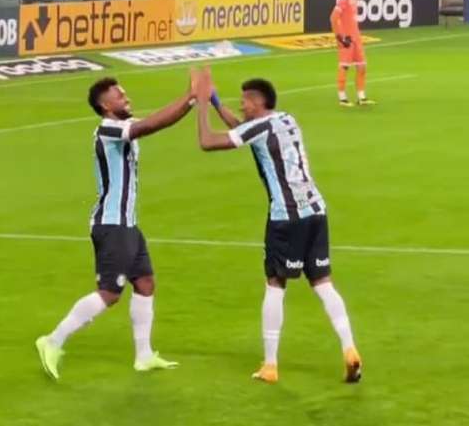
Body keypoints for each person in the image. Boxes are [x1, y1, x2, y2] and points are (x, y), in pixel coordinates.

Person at [190, 68, 362, 385]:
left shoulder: (257, 126)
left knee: (275, 283)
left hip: (287, 216)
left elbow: (207, 141)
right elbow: (245, 129)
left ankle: (270, 365)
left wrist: (201, 103)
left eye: (244, 101)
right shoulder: (286, 119)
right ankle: (349, 349)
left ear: (257, 102)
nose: (241, 106)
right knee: (323, 283)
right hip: (316, 211)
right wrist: (215, 100)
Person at [35, 77, 195, 380]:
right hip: (112, 225)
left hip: (127, 225)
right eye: (118, 95)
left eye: (124, 92)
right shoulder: (108, 129)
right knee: (109, 293)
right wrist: (189, 97)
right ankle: (52, 341)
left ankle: (144, 355)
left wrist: (190, 99)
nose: (125, 97)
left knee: (145, 283)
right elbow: (149, 126)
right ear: (105, 106)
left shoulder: (123, 126)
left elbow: (153, 120)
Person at [330, 0, 375, 107]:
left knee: (362, 66)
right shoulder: (343, 0)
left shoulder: (354, 1)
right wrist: (340, 37)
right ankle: (342, 98)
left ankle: (361, 97)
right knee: (344, 66)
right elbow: (333, 18)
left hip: (356, 38)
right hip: (347, 39)